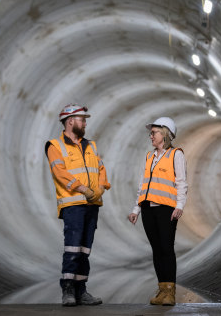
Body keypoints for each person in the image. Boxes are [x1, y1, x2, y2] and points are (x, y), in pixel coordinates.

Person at [45, 104, 111, 306]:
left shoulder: (90, 145)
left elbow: (100, 168)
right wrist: (83, 189)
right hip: (73, 203)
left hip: (92, 204)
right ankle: (68, 290)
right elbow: (60, 173)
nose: (85, 123)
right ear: (70, 121)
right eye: (82, 119)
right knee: (73, 249)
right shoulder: (55, 146)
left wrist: (100, 188)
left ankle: (81, 291)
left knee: (84, 250)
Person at [127, 117, 188, 306]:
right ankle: (162, 289)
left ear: (165, 134)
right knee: (156, 250)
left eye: (154, 132)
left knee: (166, 249)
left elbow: (181, 182)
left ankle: (170, 292)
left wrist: (180, 205)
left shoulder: (175, 154)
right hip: (148, 209)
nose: (150, 135)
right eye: (151, 132)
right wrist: (136, 208)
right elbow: (143, 184)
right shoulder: (149, 156)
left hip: (166, 209)